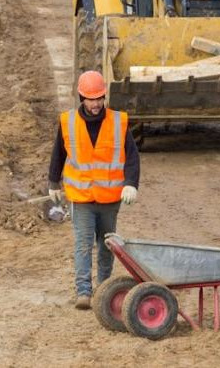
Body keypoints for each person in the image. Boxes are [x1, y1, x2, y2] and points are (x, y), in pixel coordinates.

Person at [47, 70, 140, 309]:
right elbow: (59, 153)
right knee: (83, 243)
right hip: (82, 198)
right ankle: (84, 292)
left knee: (107, 246)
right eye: (91, 99)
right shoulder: (68, 122)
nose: (96, 103)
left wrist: (131, 183)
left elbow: (132, 156)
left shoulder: (118, 122)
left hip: (110, 198)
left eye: (100, 98)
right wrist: (52, 182)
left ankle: (104, 289)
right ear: (82, 97)